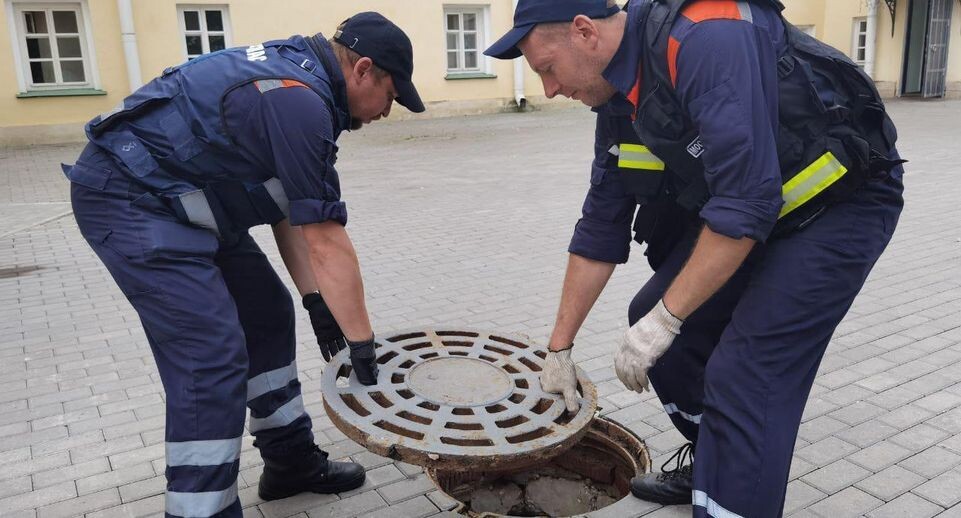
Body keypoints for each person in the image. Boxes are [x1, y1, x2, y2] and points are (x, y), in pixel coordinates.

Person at [485, 0, 905, 516]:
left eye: (547, 69)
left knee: (746, 375)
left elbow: (746, 203)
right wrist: (559, 350)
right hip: (761, 214)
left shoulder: (707, 38)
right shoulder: (620, 96)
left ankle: (733, 490)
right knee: (659, 327)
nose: (549, 89)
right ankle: (717, 464)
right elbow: (601, 224)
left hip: (841, 203)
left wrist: (669, 318)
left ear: (584, 32)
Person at [63, 11, 424, 518]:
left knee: (267, 312)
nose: (389, 110)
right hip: (131, 199)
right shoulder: (297, 100)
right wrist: (362, 344)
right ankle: (200, 511)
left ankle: (290, 460)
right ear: (364, 70)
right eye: (392, 94)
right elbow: (325, 238)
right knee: (209, 356)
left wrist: (316, 301)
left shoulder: (301, 83)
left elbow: (293, 212)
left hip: (186, 200)